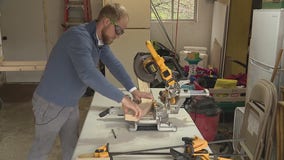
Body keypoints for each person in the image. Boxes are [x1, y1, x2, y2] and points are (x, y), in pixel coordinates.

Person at [28, 3, 153, 160]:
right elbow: (88, 74)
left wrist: (133, 90)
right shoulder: (78, 38)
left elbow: (114, 64)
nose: (119, 35)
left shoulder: (98, 41)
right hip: (50, 103)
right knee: (41, 151)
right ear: (106, 21)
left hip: (70, 103)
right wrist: (123, 99)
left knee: (72, 147)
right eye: (119, 30)